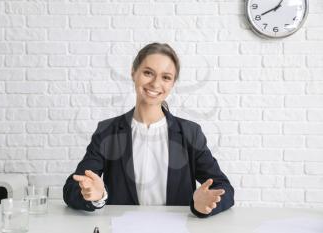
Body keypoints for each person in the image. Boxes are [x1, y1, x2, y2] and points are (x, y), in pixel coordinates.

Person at [63, 42, 234, 218]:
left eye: (166, 77)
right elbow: (72, 188)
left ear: (172, 83)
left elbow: (224, 188)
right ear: (133, 73)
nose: (155, 83)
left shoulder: (191, 133)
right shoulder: (107, 131)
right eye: (148, 73)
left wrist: (201, 205)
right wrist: (97, 196)